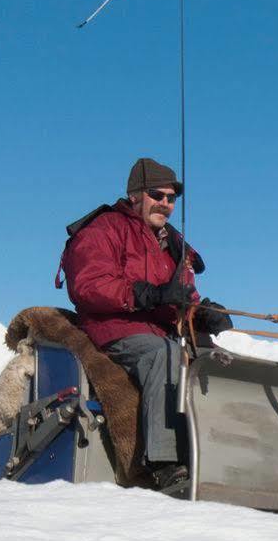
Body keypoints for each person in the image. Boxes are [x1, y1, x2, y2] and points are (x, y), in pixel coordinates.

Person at [58, 157, 232, 494]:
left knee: (217, 362)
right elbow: (88, 285)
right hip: (116, 329)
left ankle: (222, 459)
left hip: (163, 331)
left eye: (171, 198)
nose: (166, 204)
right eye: (158, 195)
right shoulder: (104, 229)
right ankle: (166, 467)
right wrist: (145, 295)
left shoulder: (174, 244)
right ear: (136, 194)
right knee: (164, 355)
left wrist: (200, 313)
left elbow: (183, 298)